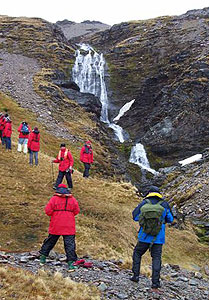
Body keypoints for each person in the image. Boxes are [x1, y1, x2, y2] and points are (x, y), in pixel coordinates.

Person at [130, 186, 174, 292]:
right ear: (159, 193)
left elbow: (135, 217)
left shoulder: (143, 203)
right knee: (156, 258)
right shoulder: (164, 204)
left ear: (149, 193)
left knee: (137, 253)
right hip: (158, 238)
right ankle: (155, 284)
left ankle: (135, 276)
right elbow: (171, 219)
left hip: (144, 237)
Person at [39, 184, 80, 270]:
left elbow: (48, 211)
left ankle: (42, 259)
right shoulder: (72, 199)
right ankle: (71, 264)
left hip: (56, 223)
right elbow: (77, 211)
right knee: (70, 245)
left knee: (50, 241)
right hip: (69, 225)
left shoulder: (54, 199)